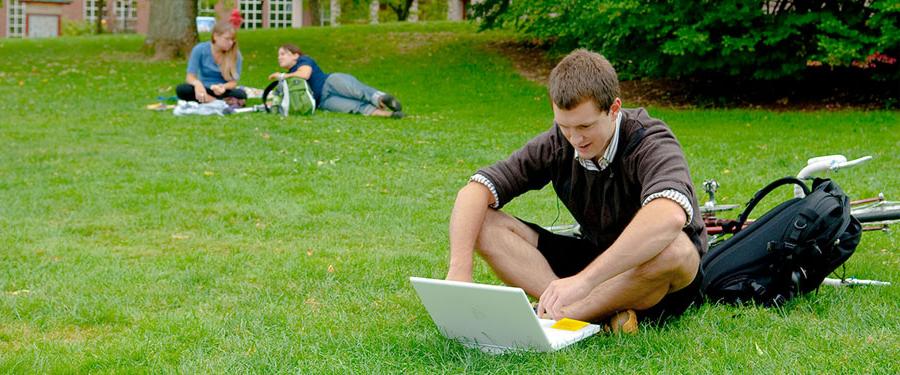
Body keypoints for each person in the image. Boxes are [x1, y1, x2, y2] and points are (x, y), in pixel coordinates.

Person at [445, 49, 707, 333]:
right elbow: (475, 190)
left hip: (653, 273)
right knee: (482, 222)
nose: (575, 139)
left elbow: (669, 216)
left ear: (614, 109)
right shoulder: (559, 142)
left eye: (585, 125)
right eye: (565, 126)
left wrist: (584, 282)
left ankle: (564, 316)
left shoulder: (650, 140)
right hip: (593, 257)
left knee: (677, 250)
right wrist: (460, 269)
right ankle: (575, 309)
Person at [267, 44, 404, 118]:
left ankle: (382, 99)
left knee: (358, 91)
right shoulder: (288, 77)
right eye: (278, 55)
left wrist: (282, 76)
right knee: (353, 108)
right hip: (323, 102)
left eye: (283, 54)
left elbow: (305, 74)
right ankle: (390, 115)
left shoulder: (304, 60)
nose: (279, 58)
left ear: (295, 55)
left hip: (330, 83)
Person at [176, 22, 246, 105]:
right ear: (215, 36)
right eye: (227, 39)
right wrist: (197, 84)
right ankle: (217, 102)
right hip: (204, 88)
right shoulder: (200, 49)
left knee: (240, 94)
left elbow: (233, 83)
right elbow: (190, 77)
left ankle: (210, 101)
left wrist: (223, 87)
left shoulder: (235, 54)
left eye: (232, 40)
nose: (230, 43)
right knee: (182, 89)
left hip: (222, 91)